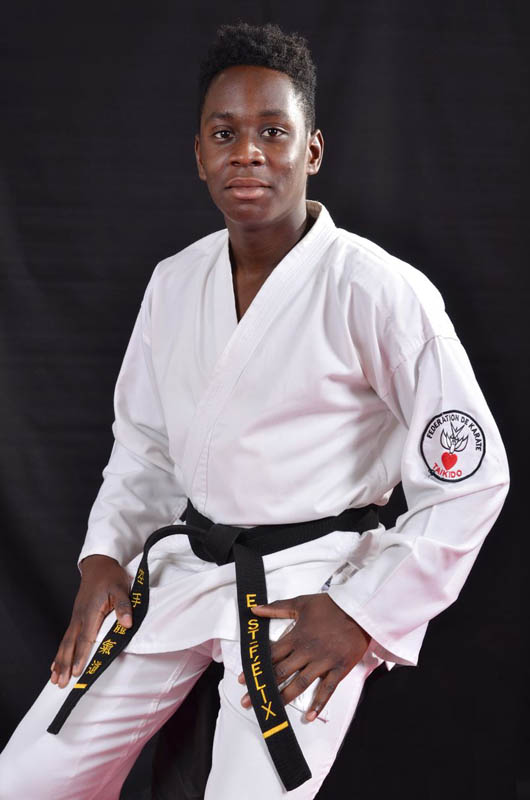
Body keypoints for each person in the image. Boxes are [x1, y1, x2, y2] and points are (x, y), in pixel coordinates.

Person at [0, 22, 509, 800]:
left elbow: (470, 480)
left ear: (312, 150)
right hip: (184, 567)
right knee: (27, 778)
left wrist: (361, 613)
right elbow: (144, 448)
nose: (247, 152)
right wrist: (104, 554)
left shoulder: (378, 290)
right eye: (225, 133)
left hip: (311, 583)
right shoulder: (175, 282)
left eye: (273, 131)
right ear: (199, 154)